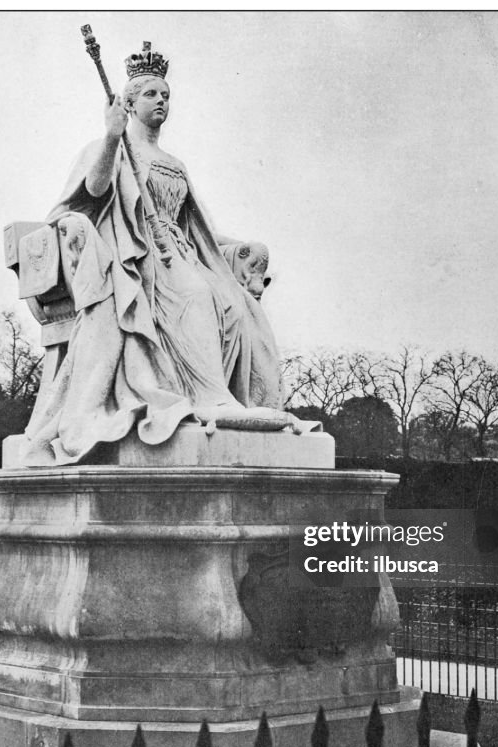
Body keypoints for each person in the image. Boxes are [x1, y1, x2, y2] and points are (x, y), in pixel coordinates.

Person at [18, 43, 293, 467]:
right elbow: (93, 192)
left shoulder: (174, 163)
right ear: (127, 103)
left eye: (165, 95)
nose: (161, 100)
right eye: (150, 94)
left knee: (235, 305)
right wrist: (111, 135)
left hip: (178, 251)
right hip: (134, 253)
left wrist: (242, 250)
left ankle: (232, 397)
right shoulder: (108, 146)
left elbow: (197, 228)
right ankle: (210, 398)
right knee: (196, 295)